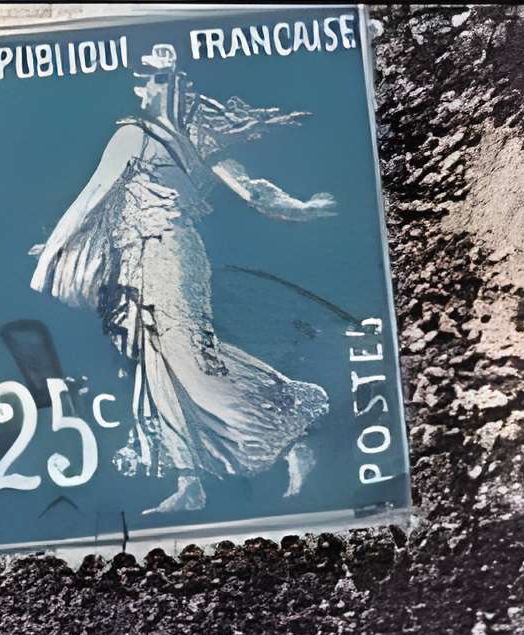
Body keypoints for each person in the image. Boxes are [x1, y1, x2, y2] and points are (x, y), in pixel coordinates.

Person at [27, 43, 339, 514]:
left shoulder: (194, 137)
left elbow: (253, 191)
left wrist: (301, 208)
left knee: (189, 358)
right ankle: (191, 484)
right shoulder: (132, 134)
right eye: (150, 77)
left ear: (178, 81)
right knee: (159, 365)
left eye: (166, 76)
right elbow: (94, 197)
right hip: (135, 259)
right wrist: (56, 246)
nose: (159, 84)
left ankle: (290, 428)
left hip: (171, 254)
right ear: (139, 86)